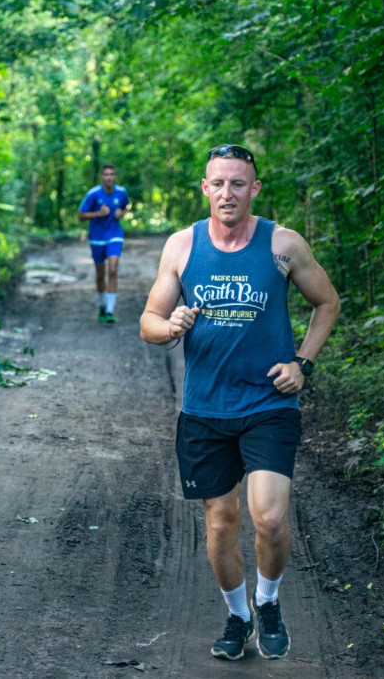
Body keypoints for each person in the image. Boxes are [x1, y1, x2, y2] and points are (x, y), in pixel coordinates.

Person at [139, 144, 340, 661]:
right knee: (221, 522)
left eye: (238, 183)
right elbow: (148, 323)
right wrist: (171, 325)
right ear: (205, 189)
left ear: (254, 189)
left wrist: (304, 364)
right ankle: (237, 615)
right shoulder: (182, 246)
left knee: (269, 518)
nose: (227, 193)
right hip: (204, 409)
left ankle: (268, 601)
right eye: (218, 183)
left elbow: (327, 302)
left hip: (269, 403)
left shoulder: (284, 245)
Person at [78, 163, 129, 323]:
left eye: (112, 174)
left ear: (115, 176)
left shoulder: (121, 192)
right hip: (97, 236)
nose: (109, 177)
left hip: (114, 234)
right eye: (106, 174)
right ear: (102, 177)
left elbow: (124, 206)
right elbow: (80, 215)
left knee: (113, 270)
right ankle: (102, 304)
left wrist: (121, 213)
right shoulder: (93, 194)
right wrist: (98, 213)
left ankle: (109, 311)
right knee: (100, 274)